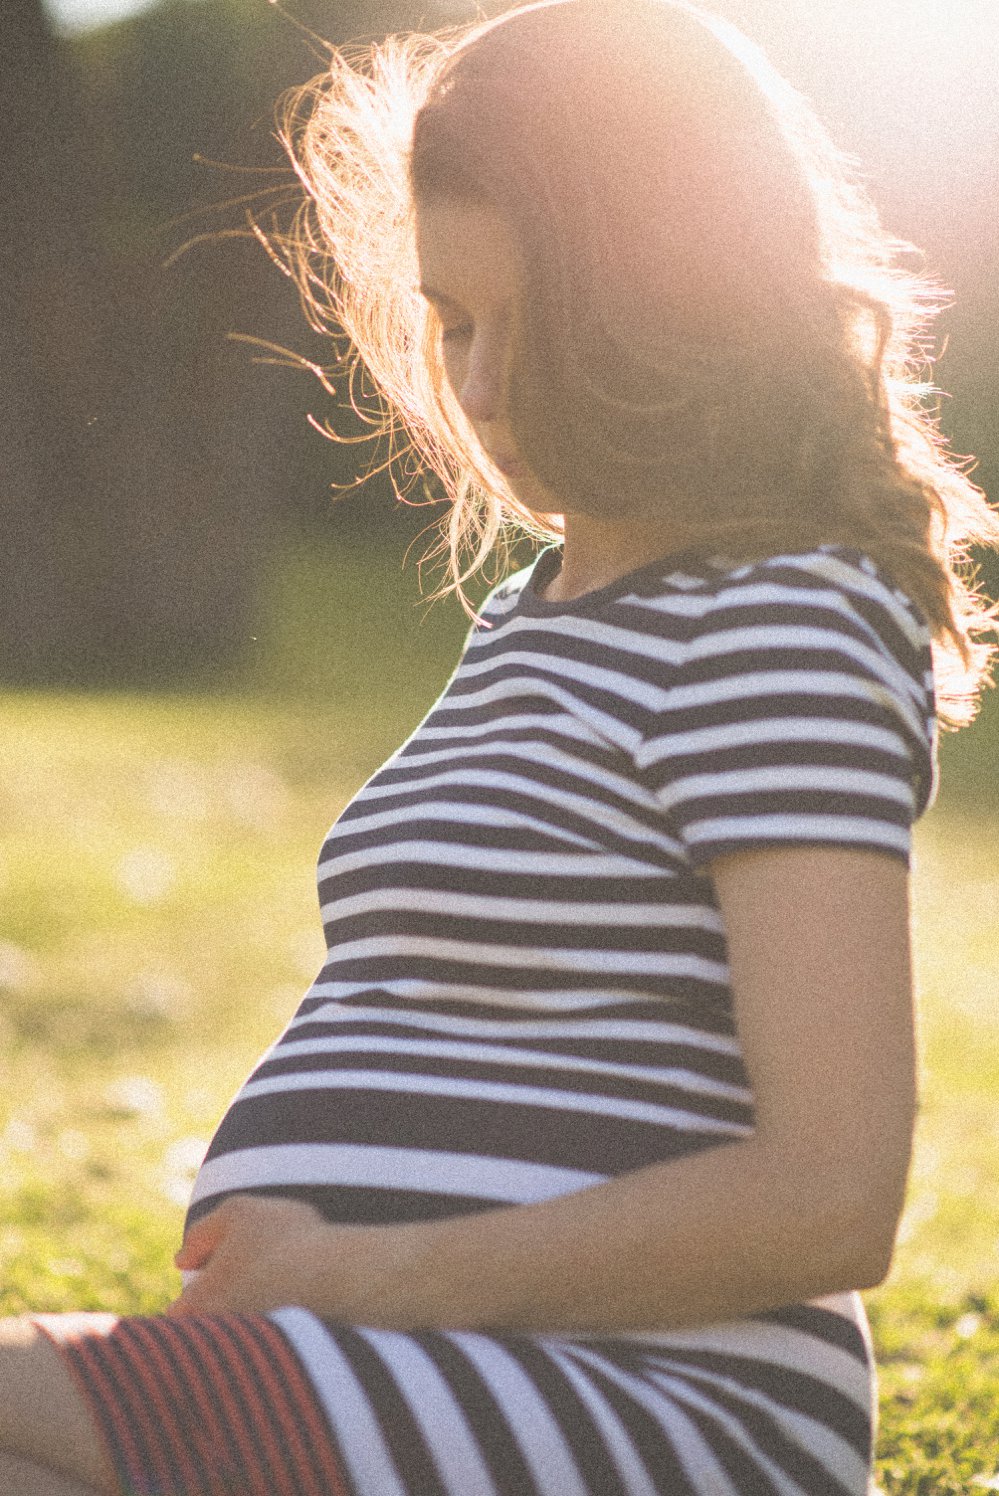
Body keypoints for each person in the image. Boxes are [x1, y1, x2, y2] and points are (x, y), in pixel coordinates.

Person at [2, 1, 997, 1492]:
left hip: (661, 1406)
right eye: (454, 322)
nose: (475, 386)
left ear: (686, 305)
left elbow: (829, 1197)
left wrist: (355, 1278)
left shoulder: (777, 615)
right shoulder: (542, 620)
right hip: (439, 1379)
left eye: (542, 326)